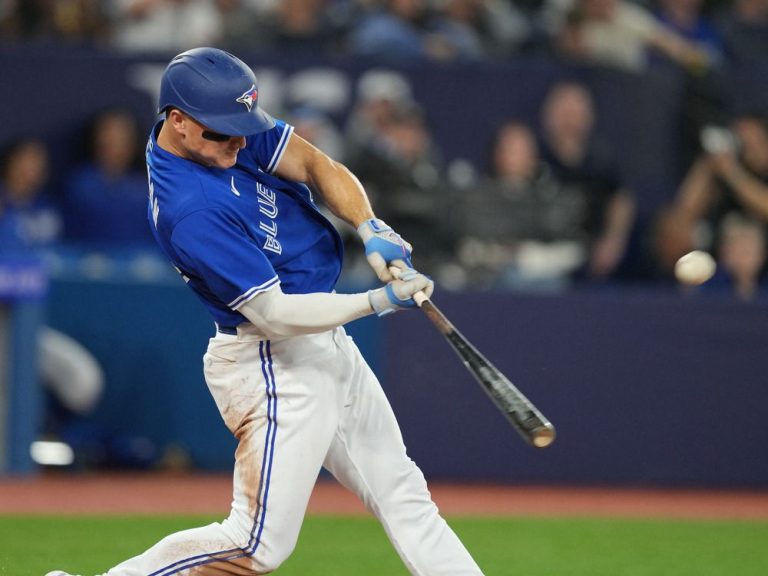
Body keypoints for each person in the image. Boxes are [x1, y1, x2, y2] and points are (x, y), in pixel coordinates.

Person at [45, 47, 483, 576]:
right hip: (272, 359)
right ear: (178, 123)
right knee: (256, 543)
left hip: (319, 342)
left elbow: (317, 164)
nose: (236, 142)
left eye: (240, 129)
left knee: (401, 490)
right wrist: (377, 299)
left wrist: (370, 228)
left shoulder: (219, 129)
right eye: (222, 133)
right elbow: (274, 313)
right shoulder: (190, 209)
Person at [538, 81, 636, 280]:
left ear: (589, 117)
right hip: (543, 254)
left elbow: (621, 200)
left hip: (590, 251)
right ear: (548, 116)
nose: (570, 119)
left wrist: (613, 240)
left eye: (576, 112)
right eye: (564, 112)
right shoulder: (534, 158)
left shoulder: (601, 162)